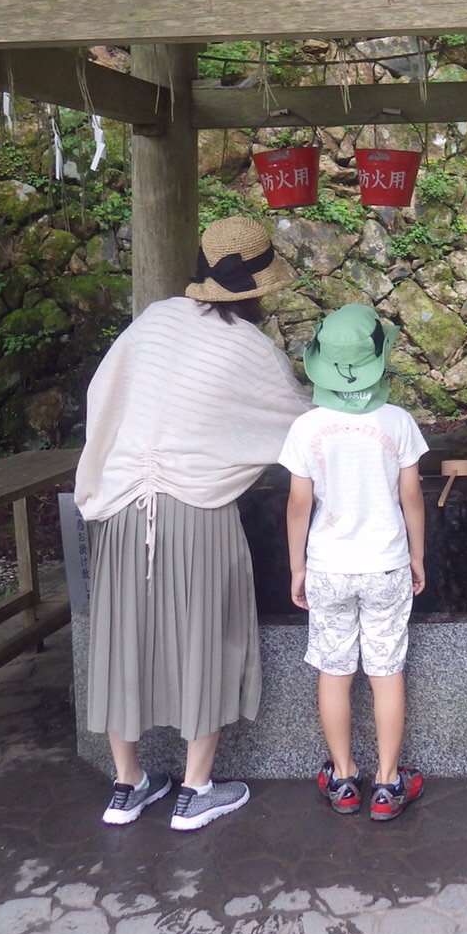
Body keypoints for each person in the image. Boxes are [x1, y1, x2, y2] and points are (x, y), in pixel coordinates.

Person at [77, 216, 312, 831]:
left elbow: (104, 396)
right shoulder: (250, 348)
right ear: (257, 290)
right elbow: (296, 423)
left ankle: (127, 787)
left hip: (125, 504)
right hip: (197, 509)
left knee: (121, 635)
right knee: (208, 636)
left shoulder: (152, 321)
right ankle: (196, 788)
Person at [280, 304, 429, 822]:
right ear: (378, 360)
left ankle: (343, 778)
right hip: (385, 564)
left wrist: (297, 565)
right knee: (387, 672)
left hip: (327, 565)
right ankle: (388, 785)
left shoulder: (307, 427)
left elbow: (299, 503)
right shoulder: (399, 422)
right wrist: (416, 555)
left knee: (334, 671)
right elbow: (411, 495)